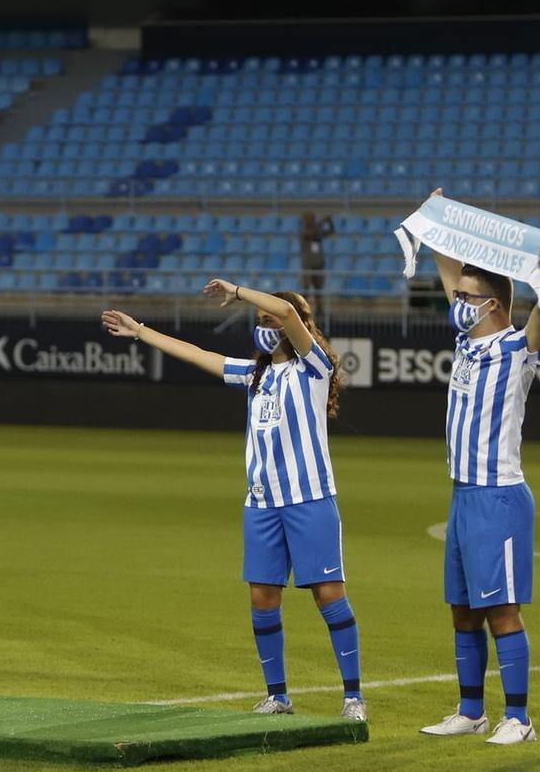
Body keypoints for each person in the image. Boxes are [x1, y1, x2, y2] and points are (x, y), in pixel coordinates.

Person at [101, 281, 364, 723]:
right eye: (259, 323)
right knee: (262, 597)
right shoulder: (253, 375)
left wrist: (242, 292)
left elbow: (284, 308)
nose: (265, 327)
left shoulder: (312, 369)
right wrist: (140, 331)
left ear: (293, 325)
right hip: (261, 504)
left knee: (329, 595)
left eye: (271, 322)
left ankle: (353, 697)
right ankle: (277, 695)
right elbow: (196, 354)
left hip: (309, 500)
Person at [417, 208, 540, 746]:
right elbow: (447, 267)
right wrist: (435, 221)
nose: (458, 304)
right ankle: (471, 711)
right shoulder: (467, 343)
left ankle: (521, 718)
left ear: (495, 306)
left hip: (499, 495)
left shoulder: (515, 348)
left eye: (467, 298)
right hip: (463, 494)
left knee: (501, 609)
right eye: (458, 296)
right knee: (463, 609)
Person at [298, 212, 334, 313]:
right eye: (311, 219)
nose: (313, 221)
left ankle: (320, 310)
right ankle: (302, 310)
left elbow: (331, 232)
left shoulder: (318, 233)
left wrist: (330, 222)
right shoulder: (304, 232)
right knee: (306, 288)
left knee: (318, 289)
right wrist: (322, 222)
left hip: (319, 265)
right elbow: (311, 233)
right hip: (308, 266)